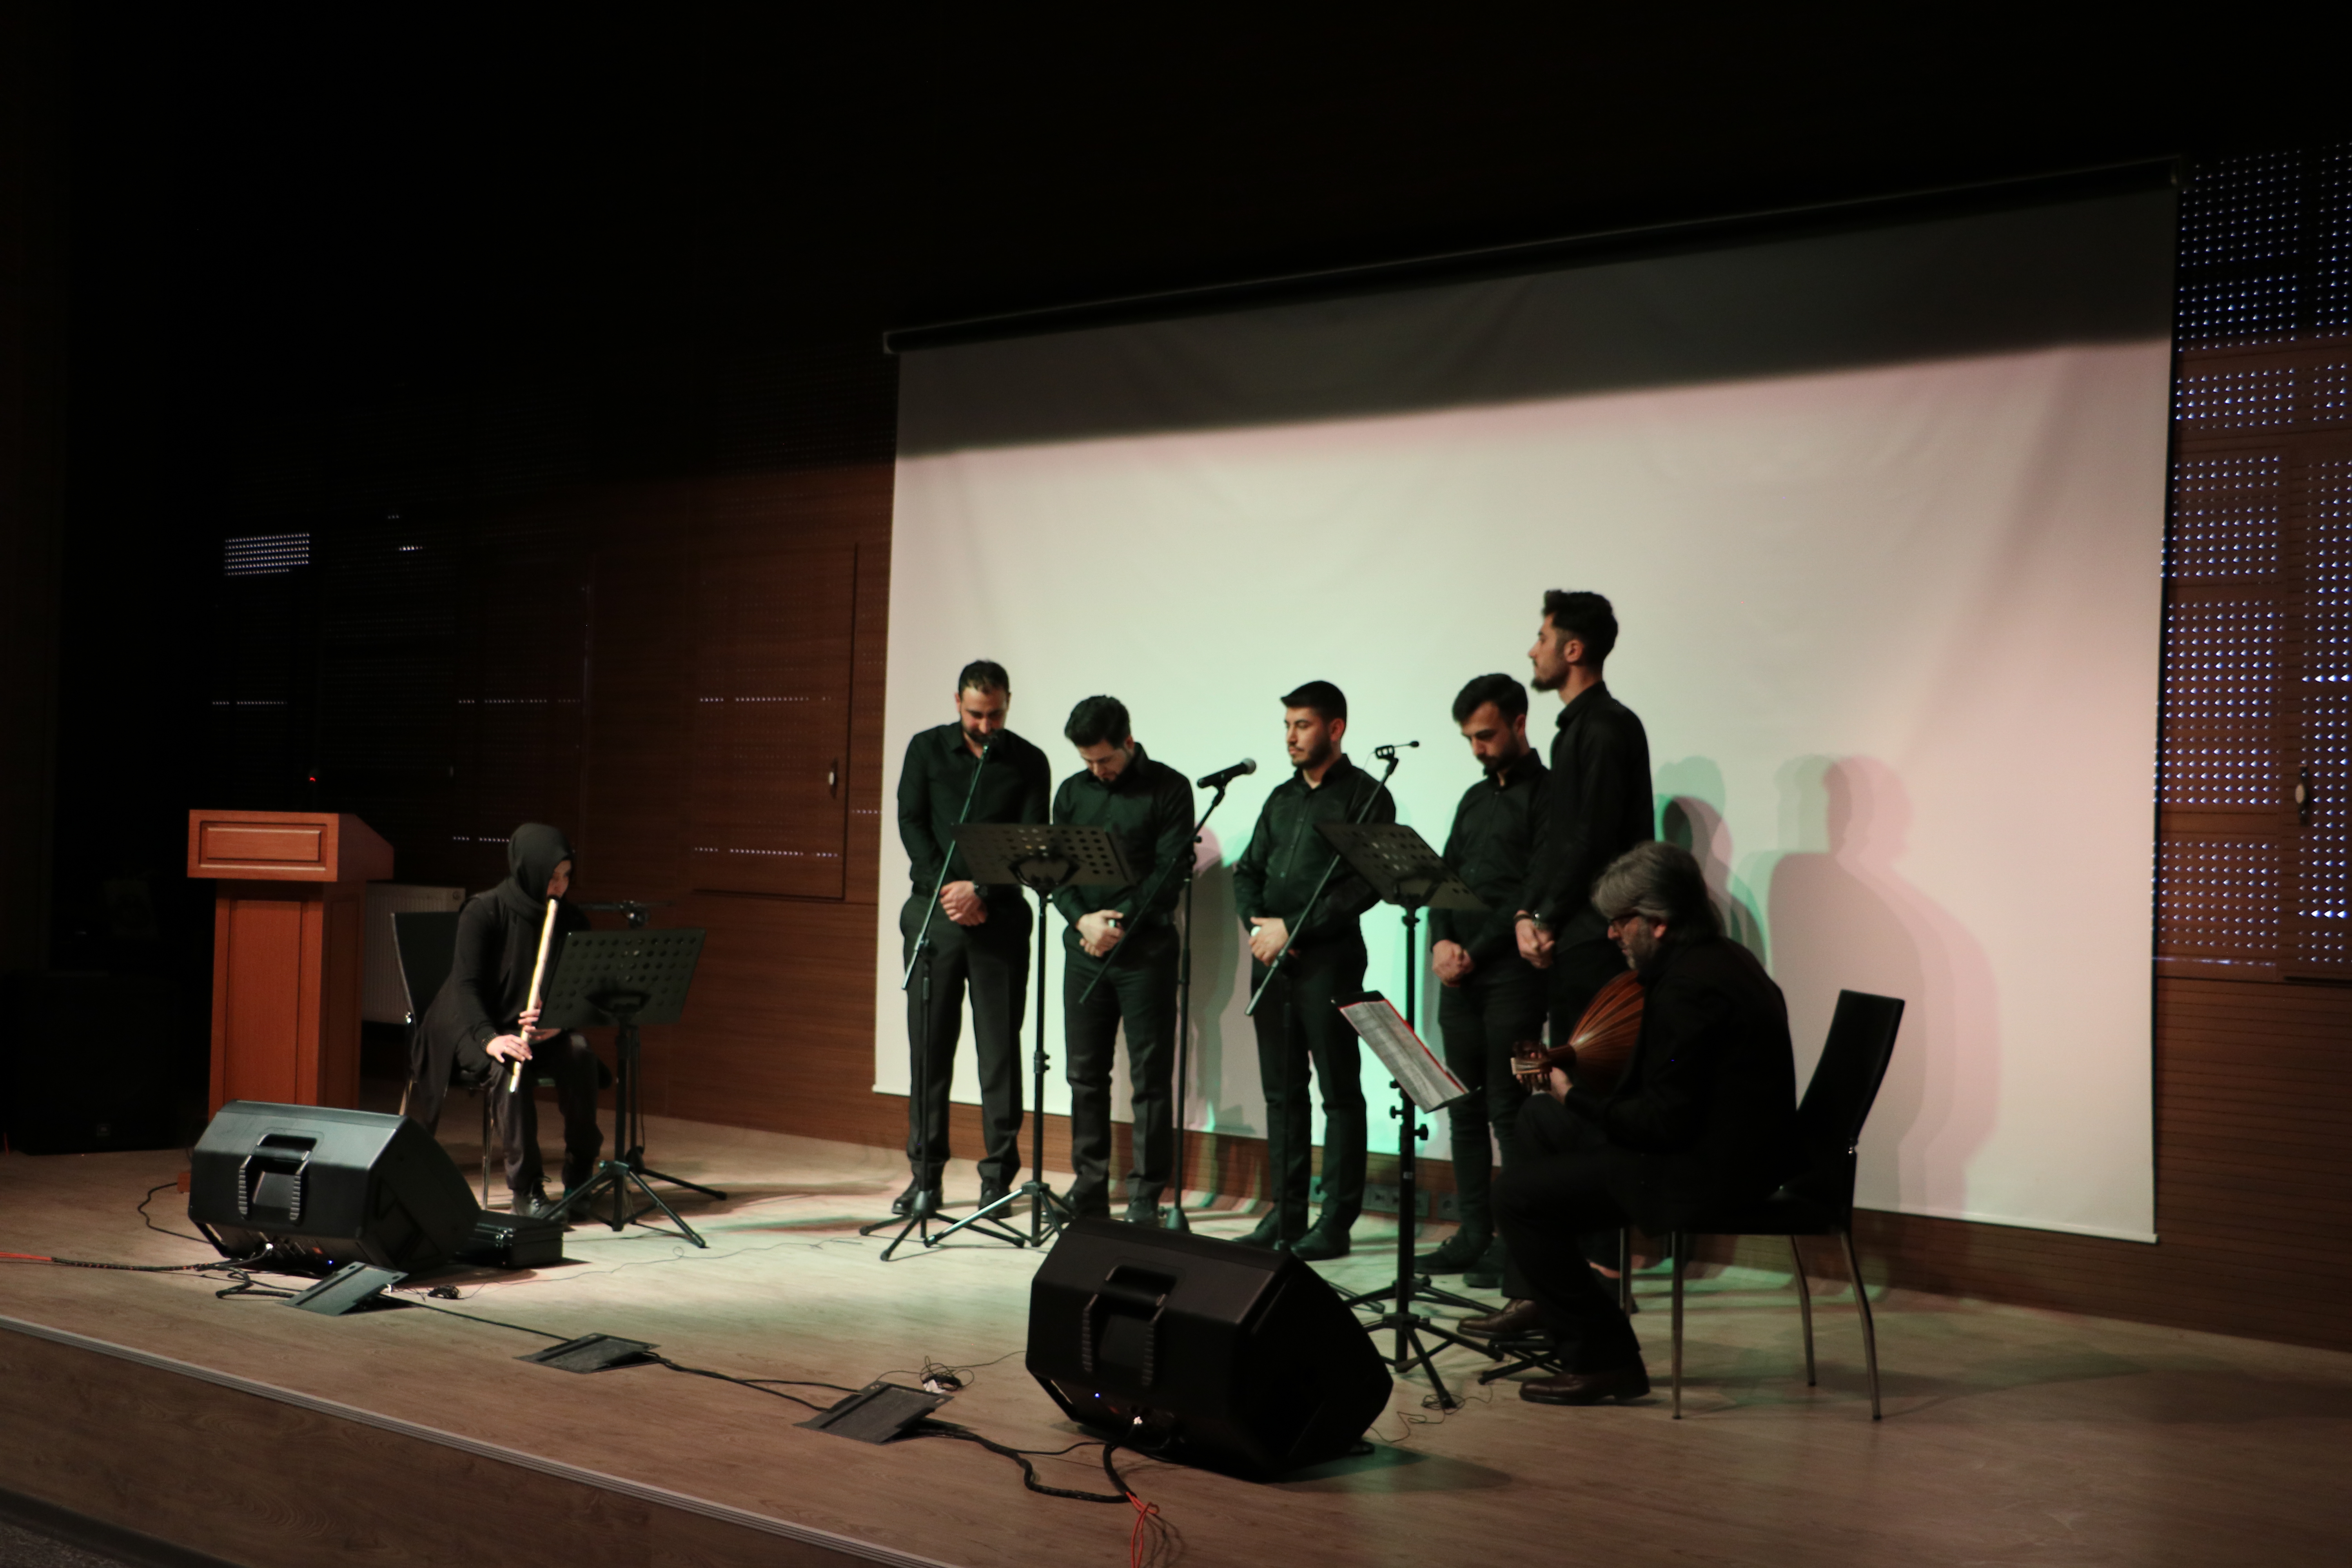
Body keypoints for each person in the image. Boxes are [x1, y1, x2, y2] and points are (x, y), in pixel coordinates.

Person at [1466, 841, 1801, 1406]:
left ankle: (1606, 1361)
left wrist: (1576, 1096)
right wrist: (1568, 1096)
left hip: (1704, 1170)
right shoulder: (1720, 959)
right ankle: (1549, 1302)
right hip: (1717, 1147)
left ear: (1658, 923)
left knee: (1517, 1197)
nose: (1611, 934)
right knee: (1540, 1116)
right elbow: (1674, 1094)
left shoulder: (1689, 990)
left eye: (1620, 922)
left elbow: (1662, 1122)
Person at [1231, 680, 1395, 1259]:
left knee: (1339, 1093)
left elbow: (1365, 885)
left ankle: (1336, 1221)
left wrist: (1294, 929)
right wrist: (1261, 930)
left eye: (1302, 725)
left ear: (1335, 728)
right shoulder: (1281, 797)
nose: (1291, 737)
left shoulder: (1367, 797)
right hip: (1273, 962)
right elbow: (1247, 872)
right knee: (1282, 1094)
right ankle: (1286, 1212)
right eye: (1287, 726)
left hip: (1330, 961)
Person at [894, 659, 1052, 1218]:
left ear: (1008, 704)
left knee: (1000, 1054)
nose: (987, 726)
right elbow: (911, 822)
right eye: (977, 715)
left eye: (996, 715)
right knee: (929, 1050)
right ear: (957, 703)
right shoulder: (926, 750)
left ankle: (997, 1180)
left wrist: (981, 889)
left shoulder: (1029, 760)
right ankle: (925, 1177)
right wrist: (948, 889)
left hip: (999, 918)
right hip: (935, 912)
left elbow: (1031, 841)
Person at [1418, 673, 1547, 1287]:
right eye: (1470, 738)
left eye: (1487, 735)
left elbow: (1535, 887)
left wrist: (1475, 949)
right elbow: (1443, 876)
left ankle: (1519, 1245)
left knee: (1508, 1110)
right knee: (1463, 1109)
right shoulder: (1473, 798)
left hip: (1513, 978)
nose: (1478, 748)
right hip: (1461, 978)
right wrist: (1442, 941)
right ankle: (1474, 1233)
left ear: (1520, 723)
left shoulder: (1548, 795)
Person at [406, 823, 602, 1220]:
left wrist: (560, 1022)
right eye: (552, 877)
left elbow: (582, 989)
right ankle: (526, 1189)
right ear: (530, 870)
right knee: (509, 1065)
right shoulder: (485, 910)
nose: (560, 886)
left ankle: (580, 1174)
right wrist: (489, 1038)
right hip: (472, 1024)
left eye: (567, 876)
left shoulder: (572, 920)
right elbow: (465, 987)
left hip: (536, 1029)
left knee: (580, 1054)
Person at [1051, 696, 1195, 1225]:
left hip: (1146, 954)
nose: (1097, 770)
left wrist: (1114, 924)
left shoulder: (1170, 788)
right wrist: (1082, 921)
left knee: (1150, 1078)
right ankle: (1089, 1186)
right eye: (1087, 761)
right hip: (1084, 950)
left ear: (1129, 743)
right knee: (1084, 1074)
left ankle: (1145, 1196)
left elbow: (1168, 875)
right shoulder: (1072, 792)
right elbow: (1056, 871)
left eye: (1105, 759)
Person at [1515, 590, 1653, 1053]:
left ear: (1573, 650)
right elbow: (1558, 840)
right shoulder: (1578, 730)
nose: (1532, 650)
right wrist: (1528, 913)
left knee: (1589, 1070)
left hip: (1599, 939)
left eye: (1542, 638)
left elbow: (1592, 839)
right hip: (1576, 936)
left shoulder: (1605, 727)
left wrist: (1545, 917)